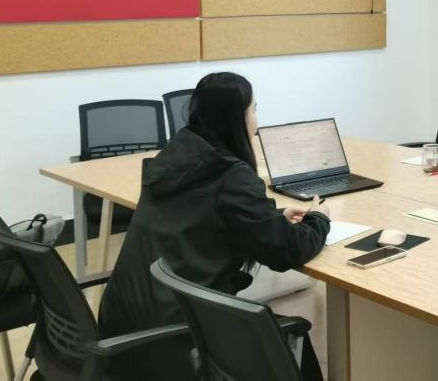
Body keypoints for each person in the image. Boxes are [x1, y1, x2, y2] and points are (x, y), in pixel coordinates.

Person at [99, 72, 331, 380]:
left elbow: (202, 214)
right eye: (254, 110)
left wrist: (271, 217)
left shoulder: (176, 154)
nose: (257, 121)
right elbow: (286, 250)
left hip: (122, 328)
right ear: (236, 118)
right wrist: (319, 219)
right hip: (176, 339)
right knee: (285, 337)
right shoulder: (231, 174)